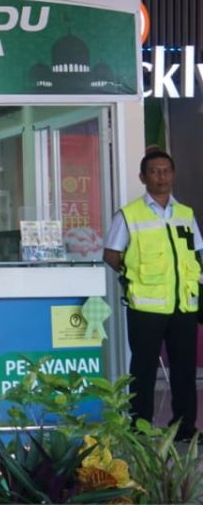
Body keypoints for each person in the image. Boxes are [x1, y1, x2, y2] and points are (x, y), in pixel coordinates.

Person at [103, 150, 201, 441]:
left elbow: (197, 253)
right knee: (143, 370)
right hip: (145, 306)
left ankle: (185, 427)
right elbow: (111, 254)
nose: (162, 176)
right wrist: (132, 275)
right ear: (142, 177)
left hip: (183, 303)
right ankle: (139, 426)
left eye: (166, 170)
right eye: (155, 171)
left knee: (184, 370)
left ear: (173, 174)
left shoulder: (185, 214)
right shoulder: (129, 214)